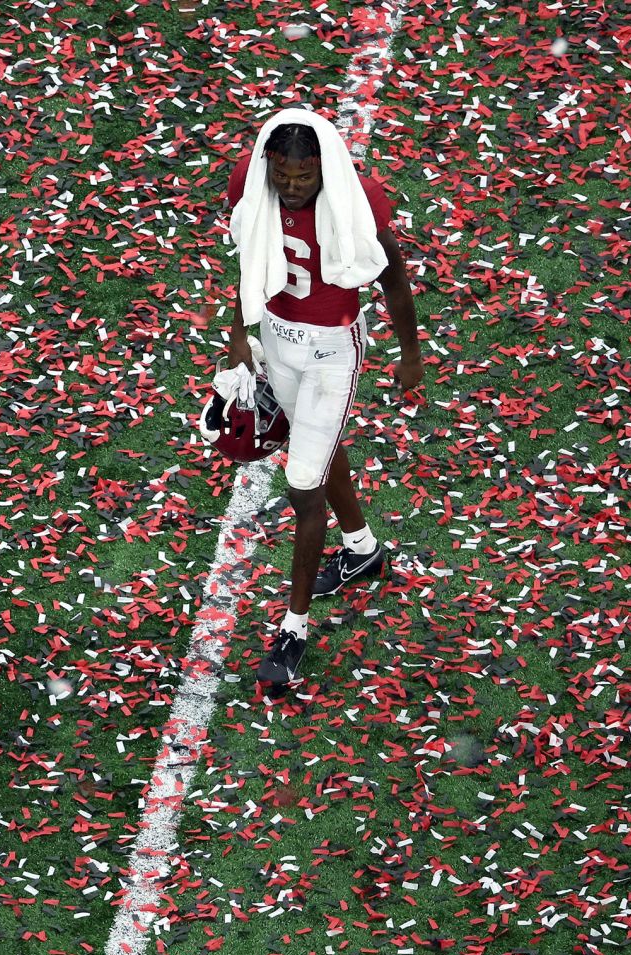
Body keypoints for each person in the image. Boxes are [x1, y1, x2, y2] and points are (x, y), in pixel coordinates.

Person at [222, 109, 424, 693]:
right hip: (275, 338)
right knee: (317, 442)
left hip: (332, 348)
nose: (290, 187)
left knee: (302, 487)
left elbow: (393, 277)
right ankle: (362, 551)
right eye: (282, 176)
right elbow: (251, 257)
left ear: (324, 169)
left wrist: (410, 353)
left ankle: (293, 629)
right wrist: (238, 334)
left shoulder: (357, 197)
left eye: (303, 178)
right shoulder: (250, 180)